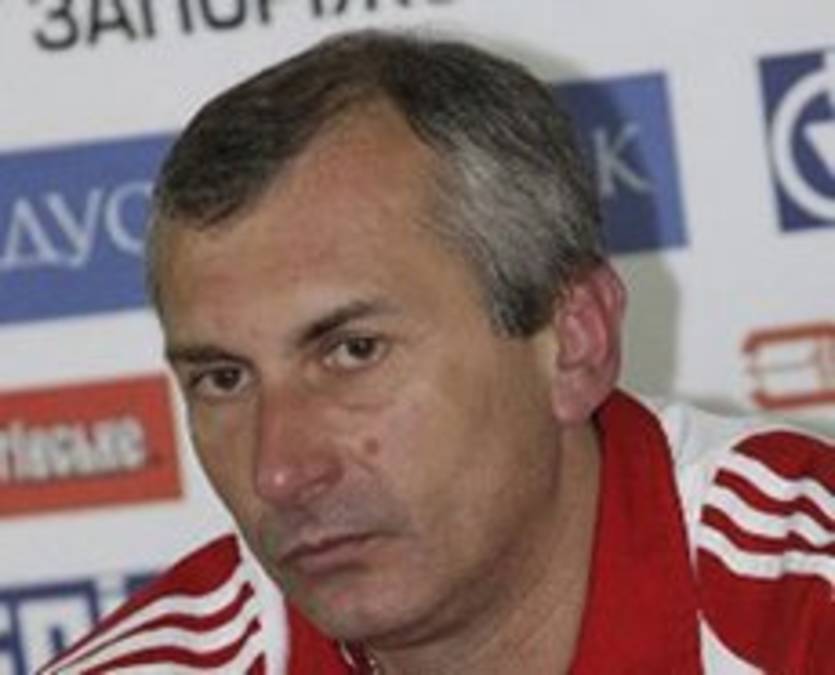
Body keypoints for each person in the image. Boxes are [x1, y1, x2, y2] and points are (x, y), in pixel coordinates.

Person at [41, 29, 833, 675]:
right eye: (223, 378)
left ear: (574, 342)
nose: (278, 470)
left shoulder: (802, 604)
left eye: (353, 350)